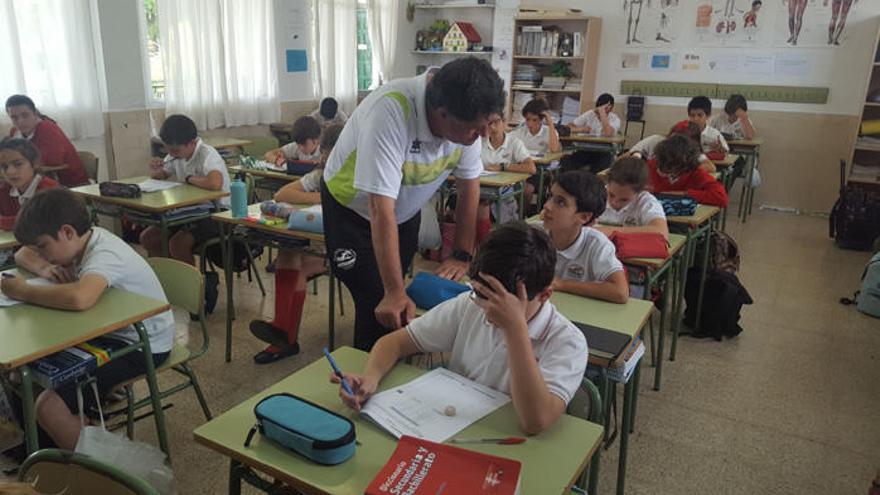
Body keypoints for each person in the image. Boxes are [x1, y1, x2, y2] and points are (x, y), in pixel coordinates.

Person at [331, 222, 588, 435]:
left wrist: (515, 331)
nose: (487, 311)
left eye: (502, 304)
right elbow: (395, 343)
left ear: (544, 295)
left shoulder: (568, 342)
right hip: (450, 429)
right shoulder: (469, 305)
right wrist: (370, 378)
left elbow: (535, 422)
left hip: (509, 445)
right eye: (480, 294)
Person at [321, 57, 504, 351]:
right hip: (352, 213)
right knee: (378, 300)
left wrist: (461, 253)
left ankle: (395, 368)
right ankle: (364, 382)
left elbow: (470, 187)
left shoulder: (468, 118)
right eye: (476, 128)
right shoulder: (391, 110)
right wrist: (392, 291)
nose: (482, 136)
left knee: (402, 304)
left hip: (404, 212)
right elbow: (379, 208)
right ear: (441, 114)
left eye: (489, 125)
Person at [2, 189, 174, 450]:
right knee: (20, 374)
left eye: (43, 247)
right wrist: (46, 267)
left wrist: (25, 291)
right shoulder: (74, 246)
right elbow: (22, 253)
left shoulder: (104, 253)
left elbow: (81, 298)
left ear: (68, 232)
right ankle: (52, 443)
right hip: (106, 331)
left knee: (48, 406)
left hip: (144, 344)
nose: (40, 253)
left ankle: (98, 473)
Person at [249, 124, 344, 364]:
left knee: (293, 259)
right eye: (324, 154)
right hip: (317, 242)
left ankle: (284, 336)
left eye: (332, 155)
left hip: (345, 250)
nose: (325, 160)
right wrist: (325, 198)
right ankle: (283, 335)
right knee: (287, 252)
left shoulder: (360, 177)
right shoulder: (321, 175)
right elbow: (282, 194)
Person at [140, 114, 229, 313]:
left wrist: (188, 178)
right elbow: (164, 174)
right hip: (187, 210)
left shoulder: (206, 154)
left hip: (217, 213)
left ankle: (196, 293)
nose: (172, 154)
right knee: (149, 237)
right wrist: (156, 173)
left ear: (192, 142)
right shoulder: (175, 155)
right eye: (168, 150)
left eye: (176, 150)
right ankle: (170, 284)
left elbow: (215, 184)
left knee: (177, 243)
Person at [541, 170, 629, 304]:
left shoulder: (597, 244)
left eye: (560, 202)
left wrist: (561, 284)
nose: (547, 206)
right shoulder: (533, 233)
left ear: (584, 217)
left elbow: (620, 292)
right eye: (550, 197)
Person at [5, 95, 88, 187]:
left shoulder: (47, 128)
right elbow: (9, 157)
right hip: (38, 181)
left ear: (35, 113)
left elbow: (53, 161)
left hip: (70, 184)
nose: (20, 121)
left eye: (25, 115)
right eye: (14, 117)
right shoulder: (14, 132)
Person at [477, 114, 536, 231]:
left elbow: (531, 168)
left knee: (484, 202)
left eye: (496, 122)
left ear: (504, 123)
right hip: (483, 183)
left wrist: (502, 167)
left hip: (509, 186)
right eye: (488, 123)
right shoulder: (479, 142)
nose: (493, 127)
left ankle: (513, 225)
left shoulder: (514, 142)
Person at [596, 156, 669, 239]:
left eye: (624, 199)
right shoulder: (596, 194)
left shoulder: (646, 202)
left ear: (640, 192)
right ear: (607, 183)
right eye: (611, 195)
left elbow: (661, 233)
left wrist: (608, 231)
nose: (614, 202)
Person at [647, 134, 729, 208]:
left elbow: (721, 198)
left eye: (670, 168)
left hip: (679, 220)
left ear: (682, 165)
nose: (663, 171)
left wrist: (684, 194)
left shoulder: (695, 172)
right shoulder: (652, 165)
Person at [0, 139, 60, 217]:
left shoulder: (50, 190)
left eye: (18, 164)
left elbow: (36, 222)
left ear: (35, 163)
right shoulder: (4, 190)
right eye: (4, 167)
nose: (10, 172)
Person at [627, 121, 716, 173]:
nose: (675, 145)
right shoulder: (655, 140)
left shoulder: (691, 151)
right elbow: (626, 157)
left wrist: (681, 170)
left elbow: (711, 167)